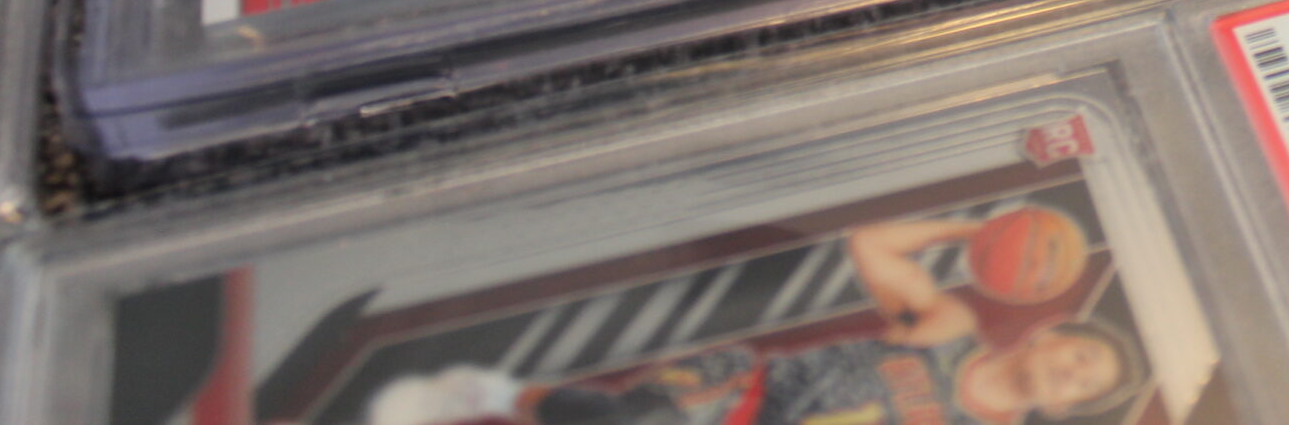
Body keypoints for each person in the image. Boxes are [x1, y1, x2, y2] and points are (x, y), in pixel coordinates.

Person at [353, 218, 1143, 425]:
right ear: (1048, 334)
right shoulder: (946, 326)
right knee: (639, 423)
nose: (1072, 371)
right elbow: (870, 244)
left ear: (1063, 405)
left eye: (1084, 384)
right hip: (747, 391)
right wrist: (973, 234)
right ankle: (489, 394)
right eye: (1081, 355)